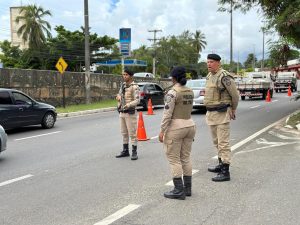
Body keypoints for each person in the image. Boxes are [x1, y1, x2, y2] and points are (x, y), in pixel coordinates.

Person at [159, 66, 196, 200]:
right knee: (185, 157)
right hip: (189, 125)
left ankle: (178, 190)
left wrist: (162, 130)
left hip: (176, 127)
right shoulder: (190, 91)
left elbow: (167, 114)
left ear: (173, 78)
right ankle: (187, 189)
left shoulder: (172, 93)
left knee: (174, 159)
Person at [204, 53, 239, 182]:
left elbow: (235, 95)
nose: (209, 64)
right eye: (207, 62)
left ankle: (225, 172)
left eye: (212, 62)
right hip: (211, 114)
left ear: (218, 63)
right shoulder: (209, 76)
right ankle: (220, 164)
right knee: (216, 142)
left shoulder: (224, 77)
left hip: (222, 113)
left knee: (223, 143)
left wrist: (233, 109)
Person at [116, 68, 140, 160]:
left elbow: (137, 100)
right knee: (124, 133)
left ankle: (134, 152)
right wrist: (118, 99)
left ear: (131, 76)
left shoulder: (135, 86)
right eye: (123, 74)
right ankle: (125, 151)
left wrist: (128, 105)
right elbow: (119, 95)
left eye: (126, 74)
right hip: (122, 112)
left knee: (132, 133)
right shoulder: (123, 85)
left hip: (130, 113)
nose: (124, 76)